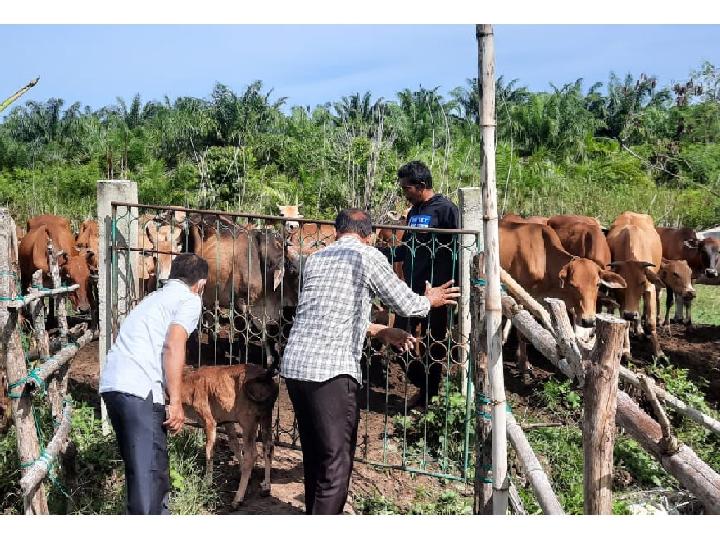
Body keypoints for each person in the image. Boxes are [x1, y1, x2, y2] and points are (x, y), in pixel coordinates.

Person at [281, 208, 460, 515]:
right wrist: (429, 300)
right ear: (370, 234)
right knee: (336, 464)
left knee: (315, 457)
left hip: (296, 367)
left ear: (337, 231)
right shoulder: (367, 256)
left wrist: (380, 330)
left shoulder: (316, 259)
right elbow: (406, 304)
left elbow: (329, 313)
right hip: (331, 372)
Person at [99, 253, 208, 515]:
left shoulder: (154, 298)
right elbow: (173, 345)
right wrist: (176, 401)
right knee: (147, 477)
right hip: (138, 389)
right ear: (201, 284)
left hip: (116, 386)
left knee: (154, 470)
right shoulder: (189, 299)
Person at [391, 160, 460, 407]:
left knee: (433, 345)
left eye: (406, 188)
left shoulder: (447, 210)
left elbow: (460, 250)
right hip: (410, 289)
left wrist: (456, 285)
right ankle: (426, 387)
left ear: (420, 185)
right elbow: (407, 248)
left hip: (438, 291)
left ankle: (428, 397)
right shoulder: (414, 213)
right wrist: (382, 254)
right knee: (398, 342)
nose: (404, 193)